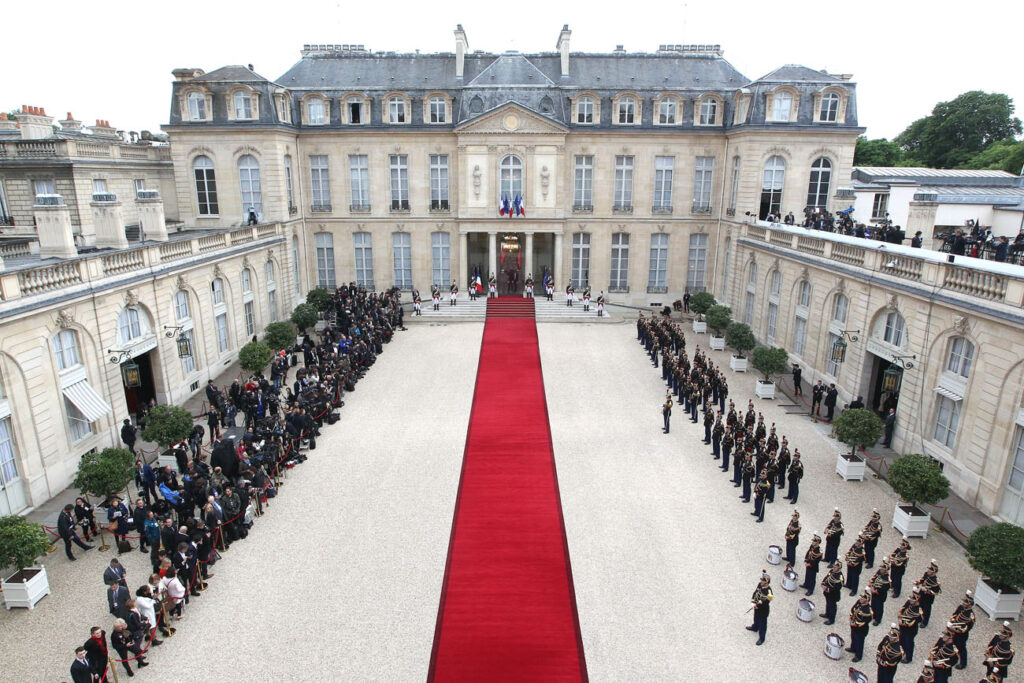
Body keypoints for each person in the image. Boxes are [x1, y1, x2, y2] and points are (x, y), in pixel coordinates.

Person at [948, 590, 975, 669]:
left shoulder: (971, 615)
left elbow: (968, 627)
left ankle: (963, 663)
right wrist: (952, 623)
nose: (964, 604)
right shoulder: (961, 607)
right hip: (954, 629)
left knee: (961, 648)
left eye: (966, 603)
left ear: (969, 605)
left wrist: (957, 630)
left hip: (961, 634)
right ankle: (953, 658)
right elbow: (955, 615)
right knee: (953, 645)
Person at [746, 571, 773, 645]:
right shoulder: (760, 585)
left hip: (763, 610)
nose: (761, 582)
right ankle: (755, 627)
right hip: (756, 606)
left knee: (763, 624)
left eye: (763, 581)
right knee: (756, 617)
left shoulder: (769, 592)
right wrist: (753, 601)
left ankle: (762, 638)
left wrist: (758, 605)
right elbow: (755, 593)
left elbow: (765, 602)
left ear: (767, 583)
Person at [847, 589, 875, 663]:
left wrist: (856, 623)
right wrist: (851, 617)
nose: (860, 599)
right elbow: (853, 609)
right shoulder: (859, 603)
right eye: (861, 598)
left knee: (859, 641)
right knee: (853, 636)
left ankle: (858, 656)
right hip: (854, 624)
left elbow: (866, 621)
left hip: (861, 628)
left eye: (862, 598)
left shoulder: (868, 610)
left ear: (866, 600)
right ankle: (853, 648)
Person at [898, 591, 923, 663]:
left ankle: (908, 658)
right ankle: (902, 652)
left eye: (913, 600)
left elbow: (919, 619)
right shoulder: (909, 603)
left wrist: (907, 623)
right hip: (903, 626)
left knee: (909, 642)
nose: (911, 601)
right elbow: (902, 609)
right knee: (902, 640)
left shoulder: (919, 609)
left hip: (911, 629)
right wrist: (900, 619)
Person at [820, 560, 844, 624]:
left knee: (832, 606)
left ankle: (831, 619)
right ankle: (827, 614)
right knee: (828, 603)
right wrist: (823, 583)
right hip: (827, 591)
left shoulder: (840, 577)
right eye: (833, 567)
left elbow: (837, 587)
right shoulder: (832, 571)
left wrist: (828, 589)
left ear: (839, 568)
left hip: (833, 594)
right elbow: (827, 577)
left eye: (835, 567)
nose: (833, 568)